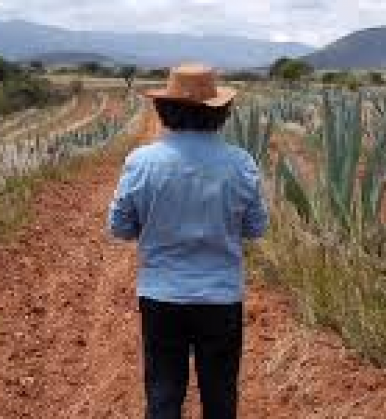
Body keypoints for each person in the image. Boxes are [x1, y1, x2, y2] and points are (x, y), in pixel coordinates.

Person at [108, 63, 268, 419]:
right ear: (219, 111)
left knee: (164, 395)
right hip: (221, 296)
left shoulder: (141, 163)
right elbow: (256, 228)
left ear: (164, 109)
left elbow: (119, 227)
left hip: (161, 295)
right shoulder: (241, 164)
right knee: (220, 397)